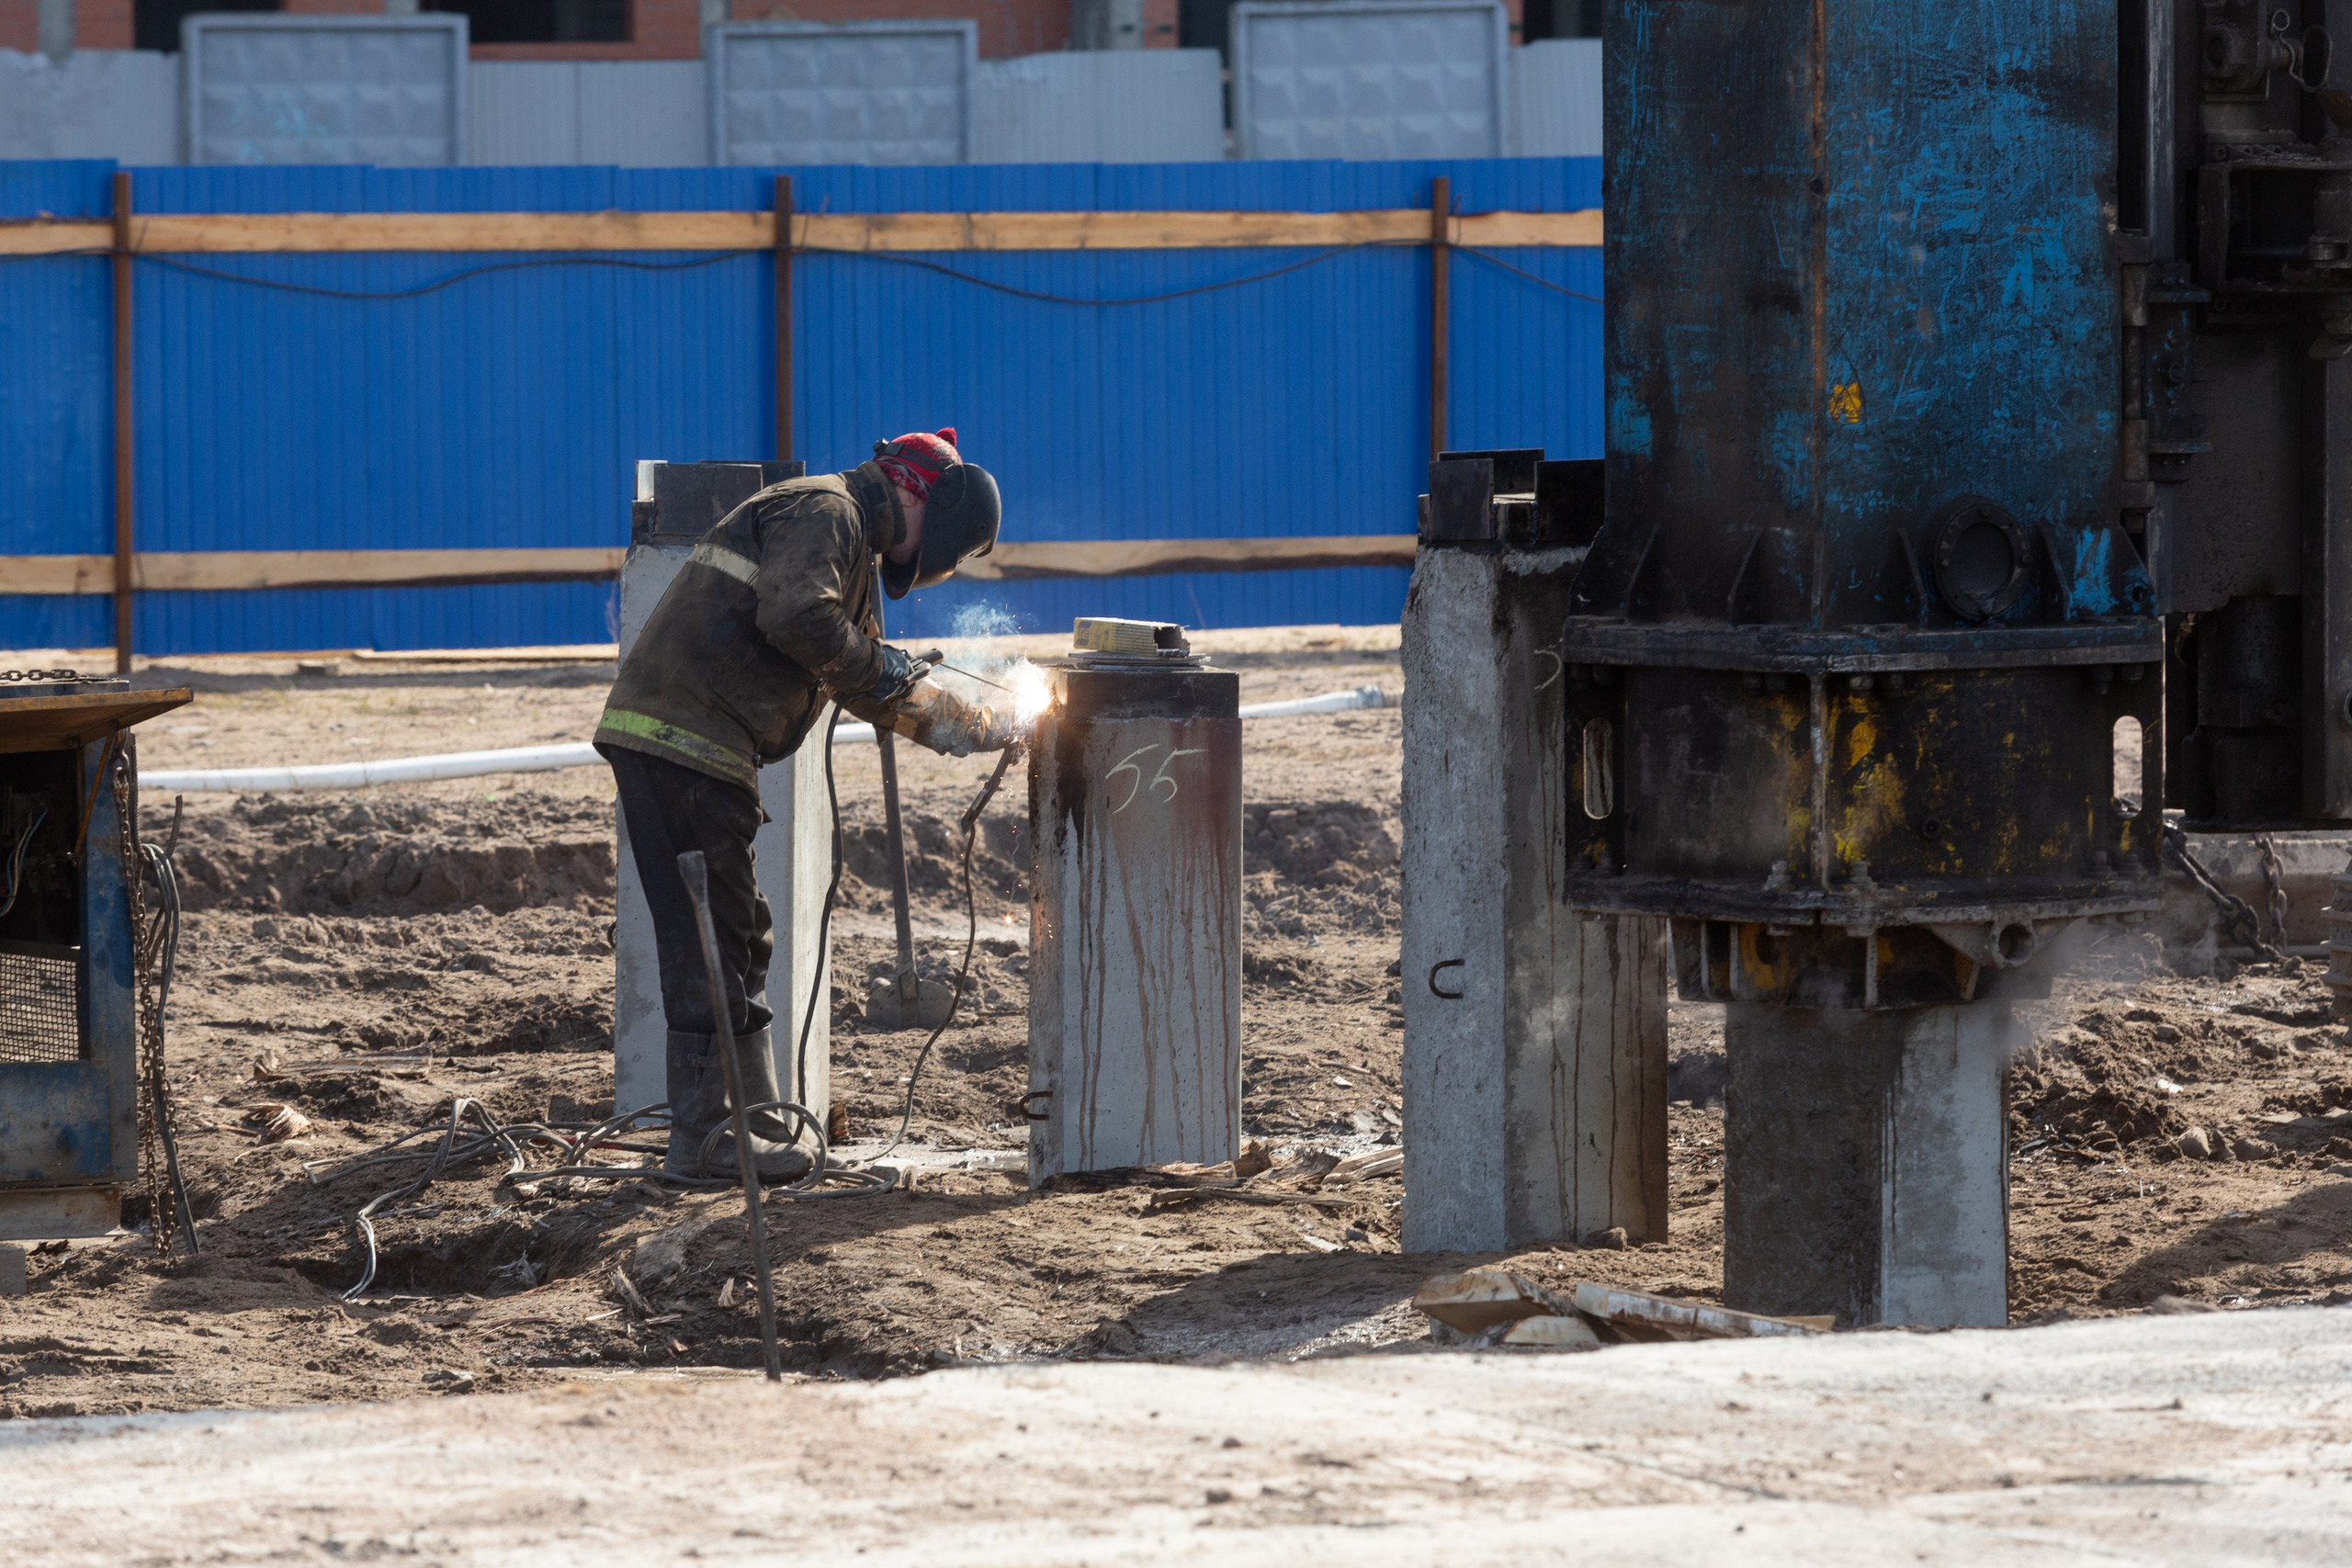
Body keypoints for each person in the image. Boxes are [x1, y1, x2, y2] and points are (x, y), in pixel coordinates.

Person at [594, 429, 1019, 1179]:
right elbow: (797, 617)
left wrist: (976, 725)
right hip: (684, 738)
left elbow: (866, 681)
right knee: (713, 941)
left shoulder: (848, 549)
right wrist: (881, 662)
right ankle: (711, 1139)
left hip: (696, 744)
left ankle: (747, 1125)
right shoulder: (829, 511)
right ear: (920, 491)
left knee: (737, 934)